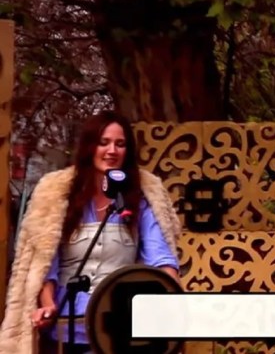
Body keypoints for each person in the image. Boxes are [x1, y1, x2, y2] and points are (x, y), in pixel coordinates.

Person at [0, 110, 182, 354]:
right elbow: (45, 262)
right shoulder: (59, 195)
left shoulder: (140, 198)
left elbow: (160, 257)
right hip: (66, 329)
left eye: (120, 144)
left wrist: (173, 296)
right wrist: (48, 305)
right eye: (103, 142)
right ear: (89, 147)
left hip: (118, 329)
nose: (112, 151)